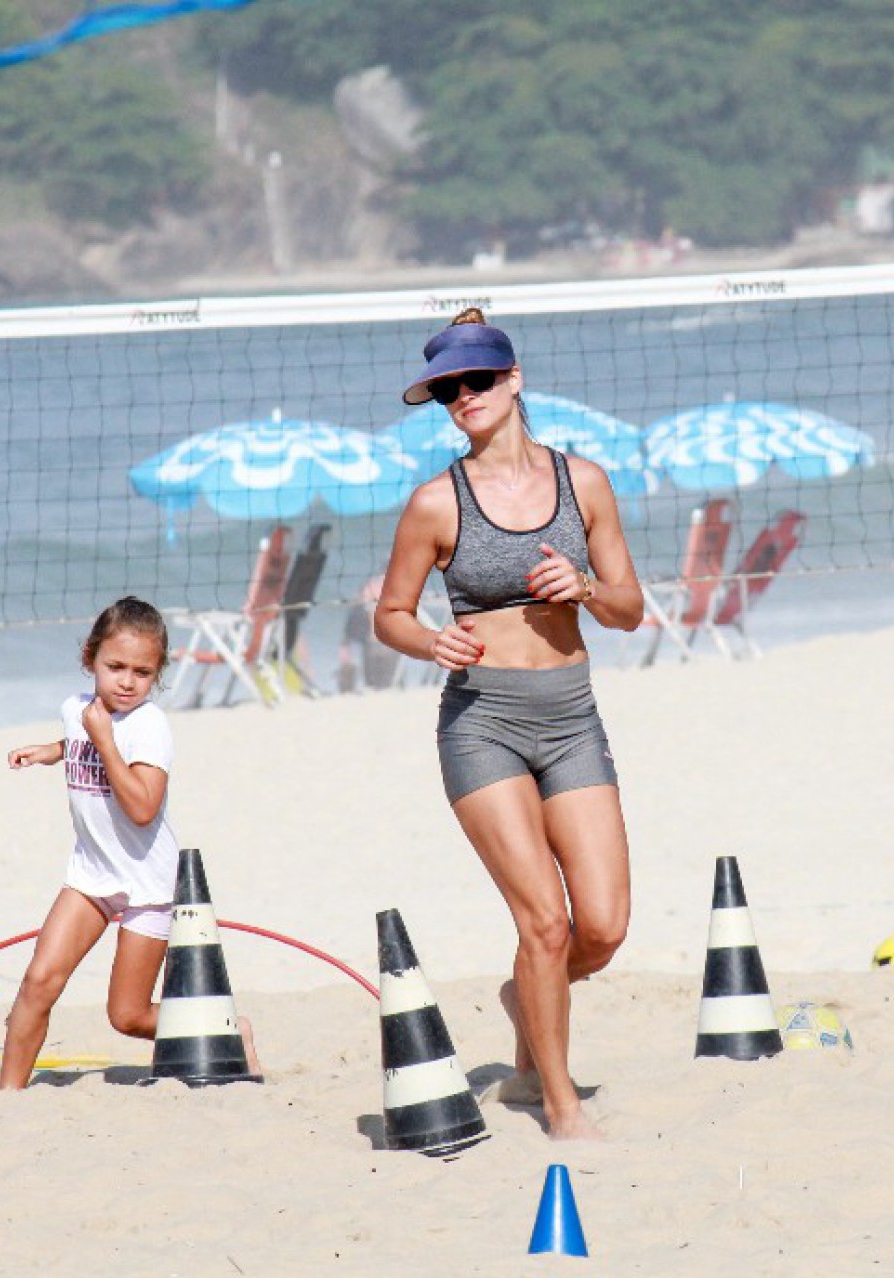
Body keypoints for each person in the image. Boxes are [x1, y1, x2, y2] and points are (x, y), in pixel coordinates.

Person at [373, 307, 644, 1140]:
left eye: (477, 382)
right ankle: (557, 1104)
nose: (464, 399)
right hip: (482, 721)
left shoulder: (584, 483)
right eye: (449, 392)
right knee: (545, 923)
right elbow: (389, 612)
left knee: (601, 927)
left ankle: (523, 993)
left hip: (571, 717)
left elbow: (632, 609)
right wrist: (429, 637)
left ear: (514, 379)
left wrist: (587, 588)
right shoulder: (434, 503)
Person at [0, 595, 256, 1089]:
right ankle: (8, 1095)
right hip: (91, 875)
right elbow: (79, 740)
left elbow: (141, 807)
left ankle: (231, 1031)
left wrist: (105, 744)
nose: (126, 681)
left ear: (156, 674)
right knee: (38, 983)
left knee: (128, 1016)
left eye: (141, 671)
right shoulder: (77, 711)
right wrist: (52, 751)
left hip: (148, 885)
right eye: (115, 666)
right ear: (89, 659)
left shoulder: (149, 725)